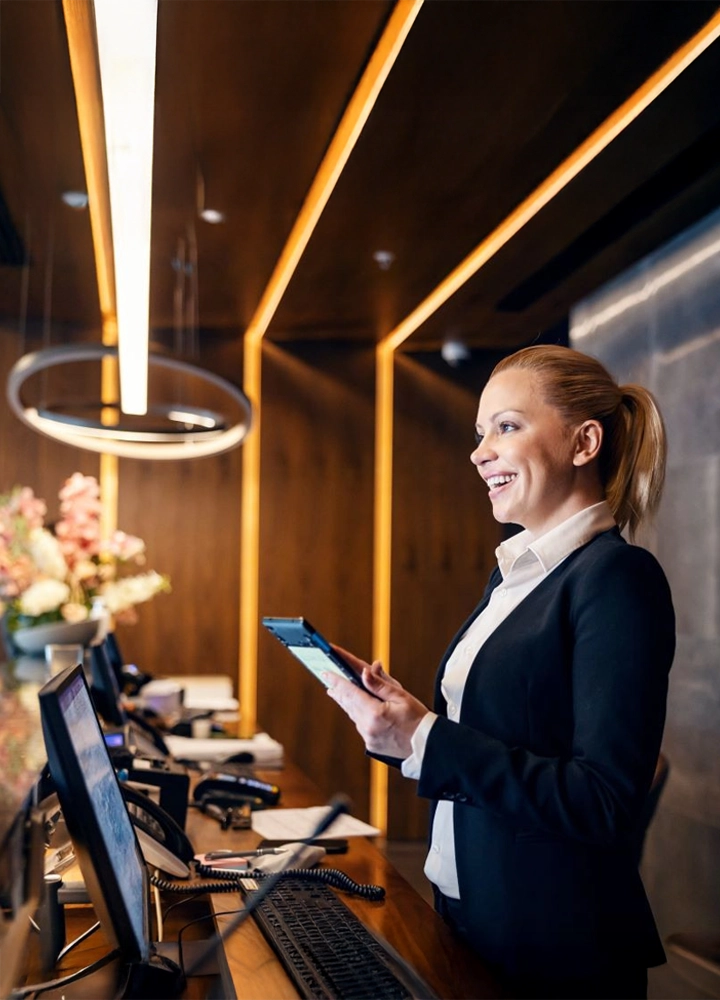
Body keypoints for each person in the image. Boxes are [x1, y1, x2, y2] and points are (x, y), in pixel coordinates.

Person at [325, 344, 675, 1000]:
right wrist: (409, 723)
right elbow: (501, 737)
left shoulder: (617, 580)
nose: (479, 451)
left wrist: (428, 740)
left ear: (584, 442)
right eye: (480, 432)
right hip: (468, 908)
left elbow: (604, 800)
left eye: (506, 426)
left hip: (551, 946)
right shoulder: (514, 576)